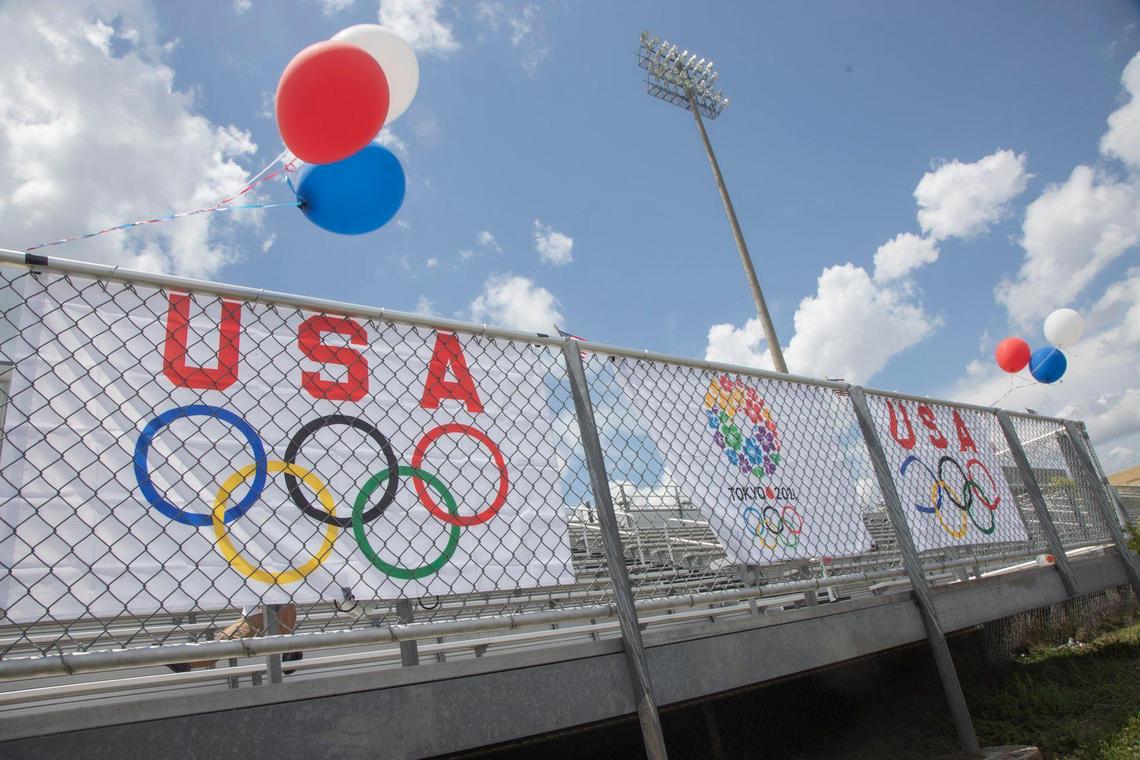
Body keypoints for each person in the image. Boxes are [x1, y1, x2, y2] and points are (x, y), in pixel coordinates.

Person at [167, 603, 302, 674]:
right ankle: (183, 662)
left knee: (221, 646)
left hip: (262, 615)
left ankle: (183, 662)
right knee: (221, 646)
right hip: (257, 615)